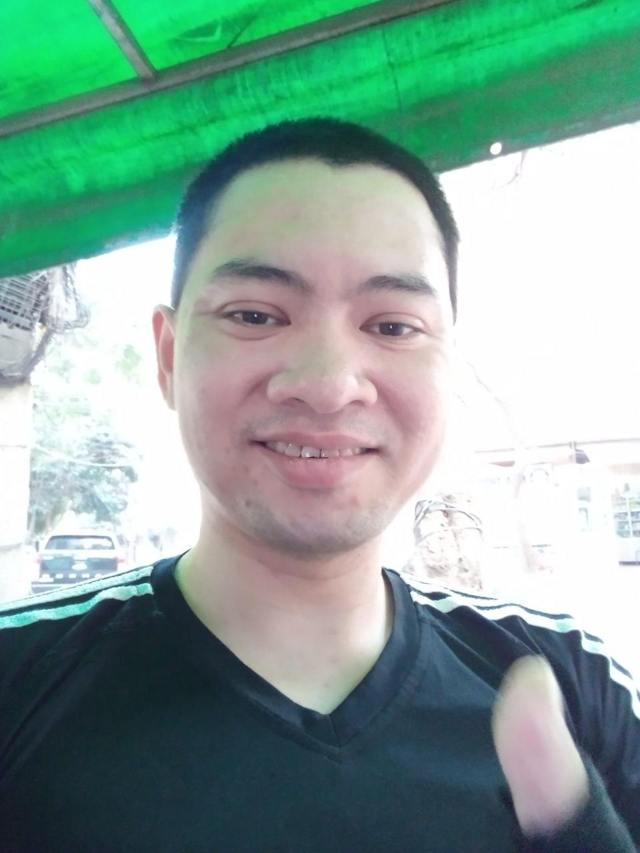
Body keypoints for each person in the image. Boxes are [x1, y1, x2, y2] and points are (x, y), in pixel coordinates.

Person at [0, 118, 637, 852]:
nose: (329, 385)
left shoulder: (575, 682)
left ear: (449, 361)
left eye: (393, 327)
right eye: (254, 314)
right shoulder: (19, 679)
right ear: (169, 357)